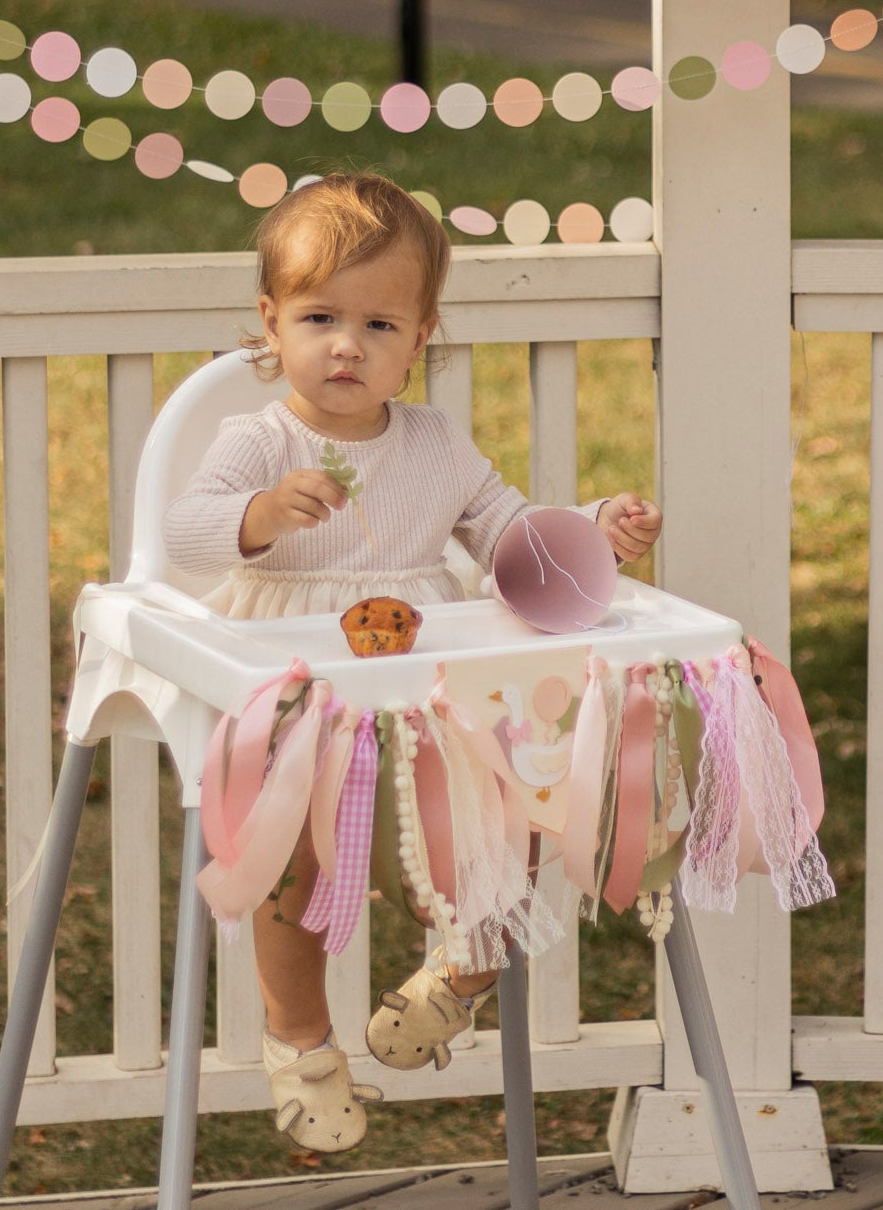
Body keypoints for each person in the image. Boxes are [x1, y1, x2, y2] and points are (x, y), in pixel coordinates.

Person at [165, 171, 662, 1153]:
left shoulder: (435, 442)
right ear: (270, 324)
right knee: (291, 853)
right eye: (318, 316)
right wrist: (258, 516)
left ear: (421, 334)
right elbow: (183, 529)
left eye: (380, 324)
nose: (346, 343)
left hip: (422, 662)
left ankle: (465, 967)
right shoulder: (257, 439)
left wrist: (591, 532)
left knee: (508, 797)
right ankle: (298, 1037)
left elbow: (511, 534)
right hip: (298, 670)